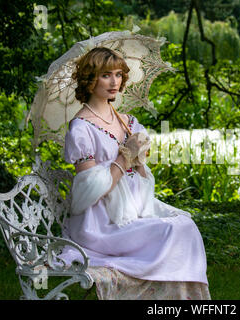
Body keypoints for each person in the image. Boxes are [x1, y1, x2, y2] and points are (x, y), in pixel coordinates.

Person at [57, 47, 211, 300]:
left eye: (119, 74)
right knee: (172, 231)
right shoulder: (81, 128)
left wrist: (139, 160)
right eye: (106, 75)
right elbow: (86, 193)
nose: (115, 81)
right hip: (100, 223)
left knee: (186, 225)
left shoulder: (125, 120)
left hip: (134, 210)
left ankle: (184, 299)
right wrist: (123, 157)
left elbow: (140, 179)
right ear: (90, 78)